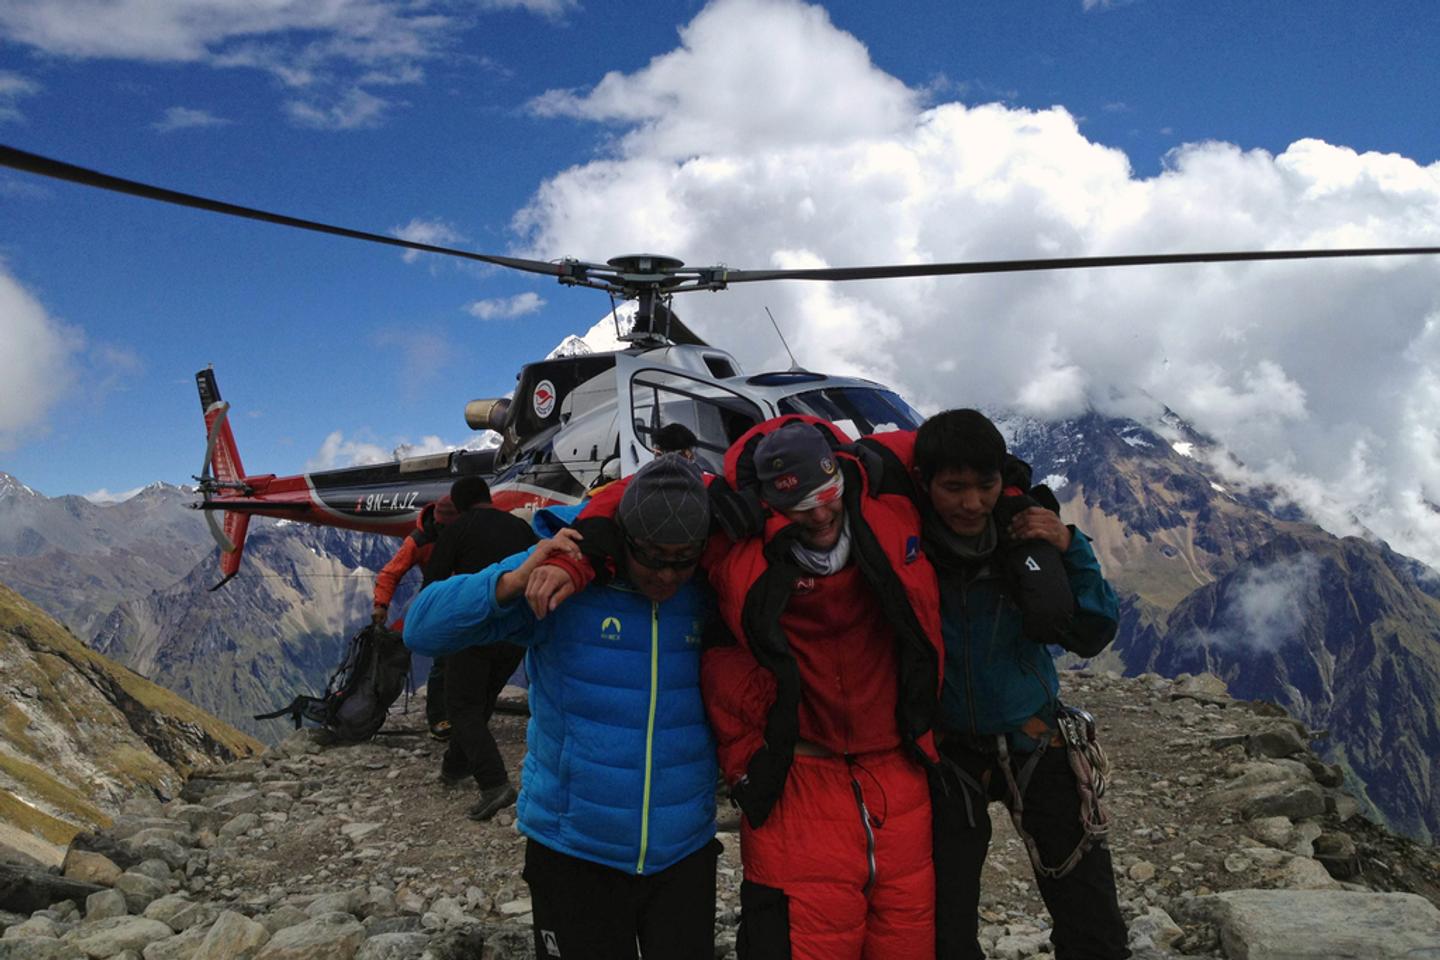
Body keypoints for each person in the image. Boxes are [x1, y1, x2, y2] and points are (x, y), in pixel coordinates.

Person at [403, 455, 722, 960]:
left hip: (683, 853)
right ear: (623, 540)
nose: (667, 575)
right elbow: (421, 628)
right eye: (653, 557)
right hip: (573, 852)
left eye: (683, 559)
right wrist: (509, 579)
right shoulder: (562, 582)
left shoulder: (711, 587)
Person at [701, 418, 945, 960]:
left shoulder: (886, 512)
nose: (819, 514)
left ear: (842, 476)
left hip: (895, 777)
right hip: (797, 783)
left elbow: (956, 447)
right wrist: (572, 559)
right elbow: (640, 499)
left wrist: (1022, 493)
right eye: (799, 505)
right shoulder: (736, 549)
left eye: (827, 493)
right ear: (768, 504)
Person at [908, 409, 1128, 960]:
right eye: (953, 488)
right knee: (944, 923)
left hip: (1035, 737)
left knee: (1089, 910)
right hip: (948, 749)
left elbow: (1092, 631)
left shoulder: (1028, 540)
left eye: (983, 487)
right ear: (925, 483)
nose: (971, 504)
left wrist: (1069, 544)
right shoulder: (902, 547)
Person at [422, 477, 538, 820]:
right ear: (488, 497)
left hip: (474, 629)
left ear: (458, 505)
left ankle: (494, 784)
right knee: (480, 702)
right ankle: (455, 767)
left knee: (461, 706)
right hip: (515, 632)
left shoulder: (458, 530)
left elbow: (434, 585)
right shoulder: (520, 528)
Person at [373, 477, 487, 740]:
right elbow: (390, 573)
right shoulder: (420, 540)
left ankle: (467, 711)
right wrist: (381, 604)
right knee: (444, 660)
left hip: (466, 596)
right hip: (442, 599)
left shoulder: (468, 531)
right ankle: (439, 718)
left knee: (473, 656)